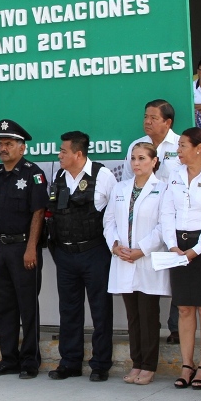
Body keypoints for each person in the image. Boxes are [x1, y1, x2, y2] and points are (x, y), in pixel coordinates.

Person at [47, 131, 117, 381]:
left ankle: (100, 364)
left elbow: (115, 214)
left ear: (78, 154)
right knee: (69, 310)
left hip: (94, 252)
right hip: (65, 254)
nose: (59, 155)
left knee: (100, 309)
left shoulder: (103, 175)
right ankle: (70, 362)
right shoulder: (59, 176)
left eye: (63, 151)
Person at [160, 129, 201, 390]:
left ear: (199, 148)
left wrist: (196, 250)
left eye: (183, 146)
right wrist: (172, 245)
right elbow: (167, 212)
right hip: (178, 245)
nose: (178, 151)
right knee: (184, 307)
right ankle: (187, 364)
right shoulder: (174, 175)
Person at [0, 120, 47, 379]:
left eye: (8, 144)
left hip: (23, 249)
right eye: (1, 144)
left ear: (22, 147)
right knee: (4, 306)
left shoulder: (33, 174)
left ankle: (30, 360)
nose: (3, 148)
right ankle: (8, 358)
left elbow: (38, 213)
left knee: (27, 307)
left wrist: (31, 249)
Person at [107, 142, 169, 386]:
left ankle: (149, 365)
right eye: (133, 158)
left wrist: (141, 250)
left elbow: (163, 226)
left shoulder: (162, 189)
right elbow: (109, 221)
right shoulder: (120, 188)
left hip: (147, 260)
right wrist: (114, 245)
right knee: (132, 316)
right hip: (123, 259)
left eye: (142, 158)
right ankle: (136, 362)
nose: (136, 163)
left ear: (154, 161)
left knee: (148, 315)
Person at [125, 99, 181, 342]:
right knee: (147, 276)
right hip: (146, 222)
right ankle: (150, 327)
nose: (147, 122)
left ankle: (176, 327)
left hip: (177, 220)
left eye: (153, 118)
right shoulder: (136, 146)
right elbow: (128, 184)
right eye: (145, 117)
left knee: (176, 275)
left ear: (167, 122)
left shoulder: (180, 145)